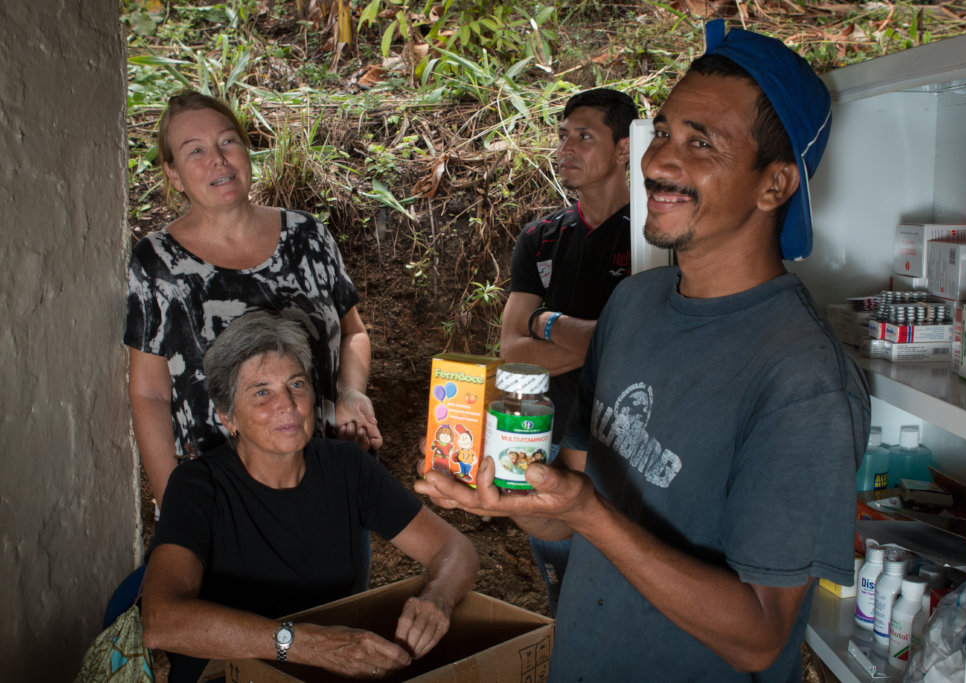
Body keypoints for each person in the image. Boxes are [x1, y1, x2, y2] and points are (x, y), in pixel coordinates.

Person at [417, 19, 870, 682]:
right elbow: (569, 507)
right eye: (662, 131)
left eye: (700, 142)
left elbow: (761, 637)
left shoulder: (803, 380)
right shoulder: (634, 305)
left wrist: (585, 511)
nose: (657, 162)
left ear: (774, 185)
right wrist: (510, 495)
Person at [142, 312, 479, 683]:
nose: (287, 404)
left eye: (296, 384)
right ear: (227, 416)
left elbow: (455, 549)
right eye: (261, 392)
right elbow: (161, 621)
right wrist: (307, 645)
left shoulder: (347, 468)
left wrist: (438, 598)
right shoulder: (198, 487)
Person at [125, 90, 382, 513]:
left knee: (342, 580)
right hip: (220, 499)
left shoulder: (308, 236)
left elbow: (353, 333)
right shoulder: (157, 263)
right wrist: (177, 506)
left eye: (228, 141)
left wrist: (350, 392)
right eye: (195, 151)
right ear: (173, 174)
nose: (218, 160)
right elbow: (149, 394)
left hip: (327, 482)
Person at [499, 88, 637, 614]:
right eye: (563, 136)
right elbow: (514, 350)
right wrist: (599, 339)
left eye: (585, 136)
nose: (567, 148)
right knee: (564, 594)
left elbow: (629, 344)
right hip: (542, 437)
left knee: (622, 596)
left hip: (621, 450)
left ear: (625, 149)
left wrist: (545, 321)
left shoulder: (651, 238)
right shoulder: (542, 237)